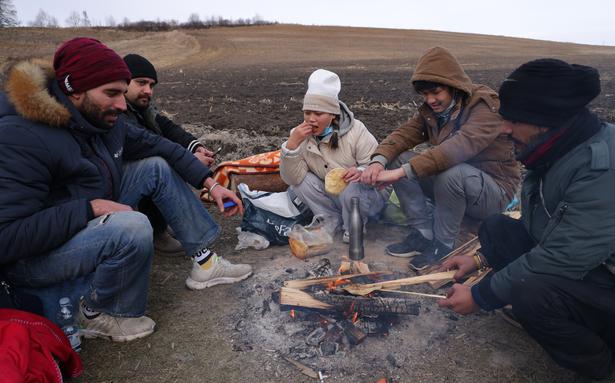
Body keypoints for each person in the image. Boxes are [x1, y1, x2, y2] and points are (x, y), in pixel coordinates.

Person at [0, 38, 252, 342]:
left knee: (155, 165)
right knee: (132, 226)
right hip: (34, 259)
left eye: (122, 92)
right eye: (111, 93)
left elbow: (162, 146)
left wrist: (210, 183)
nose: (122, 104)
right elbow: (7, 238)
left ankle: (205, 263)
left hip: (81, 216)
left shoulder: (103, 119)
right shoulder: (22, 136)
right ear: (74, 90)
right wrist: (90, 209)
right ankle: (97, 313)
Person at [438, 59, 615, 381]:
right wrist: (480, 259)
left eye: (515, 120)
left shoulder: (601, 166)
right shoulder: (556, 148)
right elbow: (540, 230)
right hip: (588, 266)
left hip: (605, 278)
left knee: (530, 292)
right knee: (497, 227)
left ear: (548, 120)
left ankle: (600, 367)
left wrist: (481, 296)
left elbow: (564, 256)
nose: (504, 128)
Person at [361, 46, 520, 270]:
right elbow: (403, 135)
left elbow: (458, 148)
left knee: (450, 172)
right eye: (425, 94)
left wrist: (400, 173)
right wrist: (378, 161)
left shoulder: (485, 106)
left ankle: (444, 245)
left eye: (436, 92)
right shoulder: (432, 111)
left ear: (453, 86)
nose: (431, 100)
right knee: (398, 158)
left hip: (492, 191)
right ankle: (423, 233)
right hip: (456, 183)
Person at [280, 69, 389, 242]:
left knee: (353, 187)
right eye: (307, 112)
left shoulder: (356, 130)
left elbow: (377, 165)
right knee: (300, 182)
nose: (311, 119)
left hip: (367, 196)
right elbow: (291, 178)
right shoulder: (298, 135)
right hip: (334, 194)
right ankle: (331, 221)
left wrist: (361, 171)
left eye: (318, 114)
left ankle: (354, 226)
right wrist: (291, 145)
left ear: (332, 114)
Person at [123, 53, 216, 256]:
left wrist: (194, 147)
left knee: (163, 159)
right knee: (156, 165)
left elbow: (167, 128)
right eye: (141, 83)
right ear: (123, 81)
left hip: (119, 179)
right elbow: (149, 144)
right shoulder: (116, 111)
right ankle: (157, 232)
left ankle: (165, 223)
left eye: (151, 85)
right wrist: (188, 161)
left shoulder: (141, 107)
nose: (148, 90)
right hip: (111, 186)